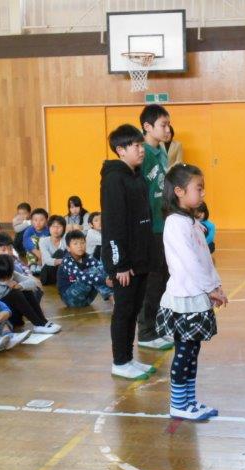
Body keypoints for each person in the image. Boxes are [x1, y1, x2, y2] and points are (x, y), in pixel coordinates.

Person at [156, 163, 228, 421]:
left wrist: (216, 285)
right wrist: (210, 289)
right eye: (198, 188)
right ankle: (178, 404)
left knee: (192, 353)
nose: (203, 193)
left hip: (197, 297)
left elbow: (204, 259)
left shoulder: (191, 221)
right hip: (184, 299)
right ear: (179, 191)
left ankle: (189, 401)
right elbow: (190, 262)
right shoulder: (175, 223)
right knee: (184, 353)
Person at [101, 124, 155, 380]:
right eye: (135, 146)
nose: (141, 150)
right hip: (124, 263)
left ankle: (129, 357)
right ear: (121, 150)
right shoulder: (114, 179)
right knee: (123, 311)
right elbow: (113, 224)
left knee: (134, 310)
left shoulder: (136, 175)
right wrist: (119, 264)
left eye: (141, 144)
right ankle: (119, 361)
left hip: (140, 258)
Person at [136, 104, 175, 351]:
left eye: (168, 124)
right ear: (147, 127)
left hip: (163, 225)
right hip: (149, 229)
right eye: (163, 124)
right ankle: (146, 332)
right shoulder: (142, 153)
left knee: (163, 280)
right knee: (152, 282)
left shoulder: (161, 150)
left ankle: (158, 327)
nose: (167, 129)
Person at [0, 254, 60, 334]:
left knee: (25, 290)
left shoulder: (12, 274)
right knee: (15, 293)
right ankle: (38, 324)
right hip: (1, 319)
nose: (8, 278)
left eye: (9, 275)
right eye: (4, 278)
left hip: (13, 314)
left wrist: (19, 286)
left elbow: (32, 283)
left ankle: (43, 321)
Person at [57, 230, 113, 308]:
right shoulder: (67, 260)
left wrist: (110, 277)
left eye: (82, 243)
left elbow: (101, 267)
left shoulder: (87, 257)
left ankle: (114, 296)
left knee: (101, 270)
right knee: (93, 272)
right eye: (75, 243)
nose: (80, 246)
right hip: (70, 299)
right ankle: (112, 298)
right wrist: (104, 280)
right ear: (68, 248)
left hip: (87, 300)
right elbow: (81, 276)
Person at [39, 215, 66, 285]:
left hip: (60, 273)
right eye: (53, 226)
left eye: (59, 226)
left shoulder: (65, 240)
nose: (56, 229)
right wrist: (65, 261)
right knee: (60, 252)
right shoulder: (43, 241)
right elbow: (47, 260)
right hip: (47, 275)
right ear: (49, 228)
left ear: (64, 229)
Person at [23, 208, 50, 275]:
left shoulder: (48, 230)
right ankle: (32, 264)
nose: (38, 223)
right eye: (35, 220)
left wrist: (41, 258)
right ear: (31, 221)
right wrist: (36, 252)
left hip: (43, 254)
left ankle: (40, 265)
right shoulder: (29, 230)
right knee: (32, 239)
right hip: (33, 252)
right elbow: (26, 242)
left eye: (41, 220)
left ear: (46, 221)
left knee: (45, 240)